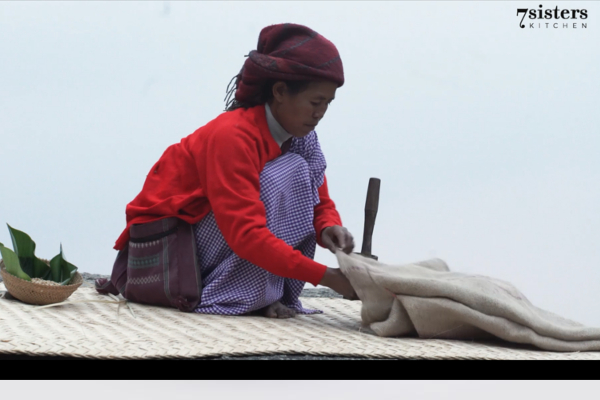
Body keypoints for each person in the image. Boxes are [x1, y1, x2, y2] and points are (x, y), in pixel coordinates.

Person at [96, 23, 358, 318]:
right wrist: (325, 277)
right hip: (163, 254)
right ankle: (232, 296)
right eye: (315, 101)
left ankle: (260, 295)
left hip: (214, 245)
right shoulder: (233, 136)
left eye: (327, 103)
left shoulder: (303, 137)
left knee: (294, 171)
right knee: (281, 176)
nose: (320, 112)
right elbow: (246, 234)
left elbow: (319, 200)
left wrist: (328, 226)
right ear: (280, 91)